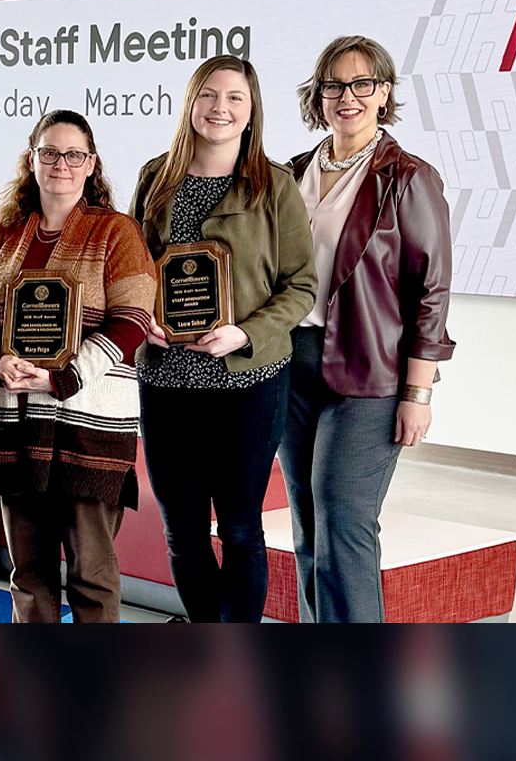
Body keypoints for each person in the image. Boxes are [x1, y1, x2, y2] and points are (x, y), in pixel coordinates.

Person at [129, 54, 316, 623]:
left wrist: (244, 333)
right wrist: (144, 320)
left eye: (235, 97)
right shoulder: (155, 176)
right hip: (168, 381)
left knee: (239, 527)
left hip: (247, 381)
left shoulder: (274, 185)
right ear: (190, 102)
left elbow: (302, 285)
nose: (220, 108)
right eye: (209, 95)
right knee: (181, 531)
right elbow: (133, 271)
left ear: (252, 109)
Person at [282, 35, 455, 622]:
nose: (347, 96)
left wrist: (418, 393)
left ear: (384, 93)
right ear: (319, 95)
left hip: (369, 373)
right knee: (306, 523)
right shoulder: (292, 174)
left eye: (362, 84)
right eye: (334, 85)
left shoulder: (407, 177)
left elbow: (430, 292)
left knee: (345, 520)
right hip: (289, 364)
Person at [0, 110, 157, 622]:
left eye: (74, 155)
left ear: (92, 164)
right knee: (29, 574)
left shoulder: (118, 233)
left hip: (88, 426)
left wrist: (61, 377)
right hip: (13, 424)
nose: (61, 164)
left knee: (92, 574)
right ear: (32, 159)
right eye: (49, 152)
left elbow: (133, 319)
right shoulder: (7, 236)